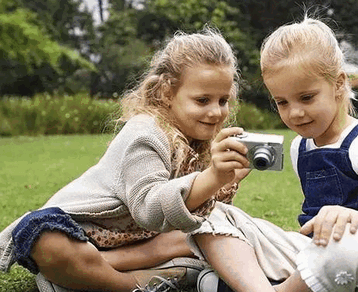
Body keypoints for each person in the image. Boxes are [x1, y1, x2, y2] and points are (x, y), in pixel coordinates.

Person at [0, 27, 252, 292]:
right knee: (45, 239)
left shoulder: (204, 143)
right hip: (86, 232)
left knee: (222, 227)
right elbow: (149, 210)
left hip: (142, 242)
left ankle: (90, 275)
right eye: (202, 100)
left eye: (223, 100)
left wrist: (224, 183)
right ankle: (135, 282)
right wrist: (211, 178)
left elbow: (192, 217)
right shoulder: (145, 132)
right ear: (167, 92)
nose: (215, 112)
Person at [191, 16, 358, 292]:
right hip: (316, 254)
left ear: (338, 83)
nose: (295, 113)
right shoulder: (301, 146)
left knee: (343, 249)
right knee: (212, 216)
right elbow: (313, 245)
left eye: (307, 97)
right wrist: (222, 176)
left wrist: (351, 219)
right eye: (282, 102)